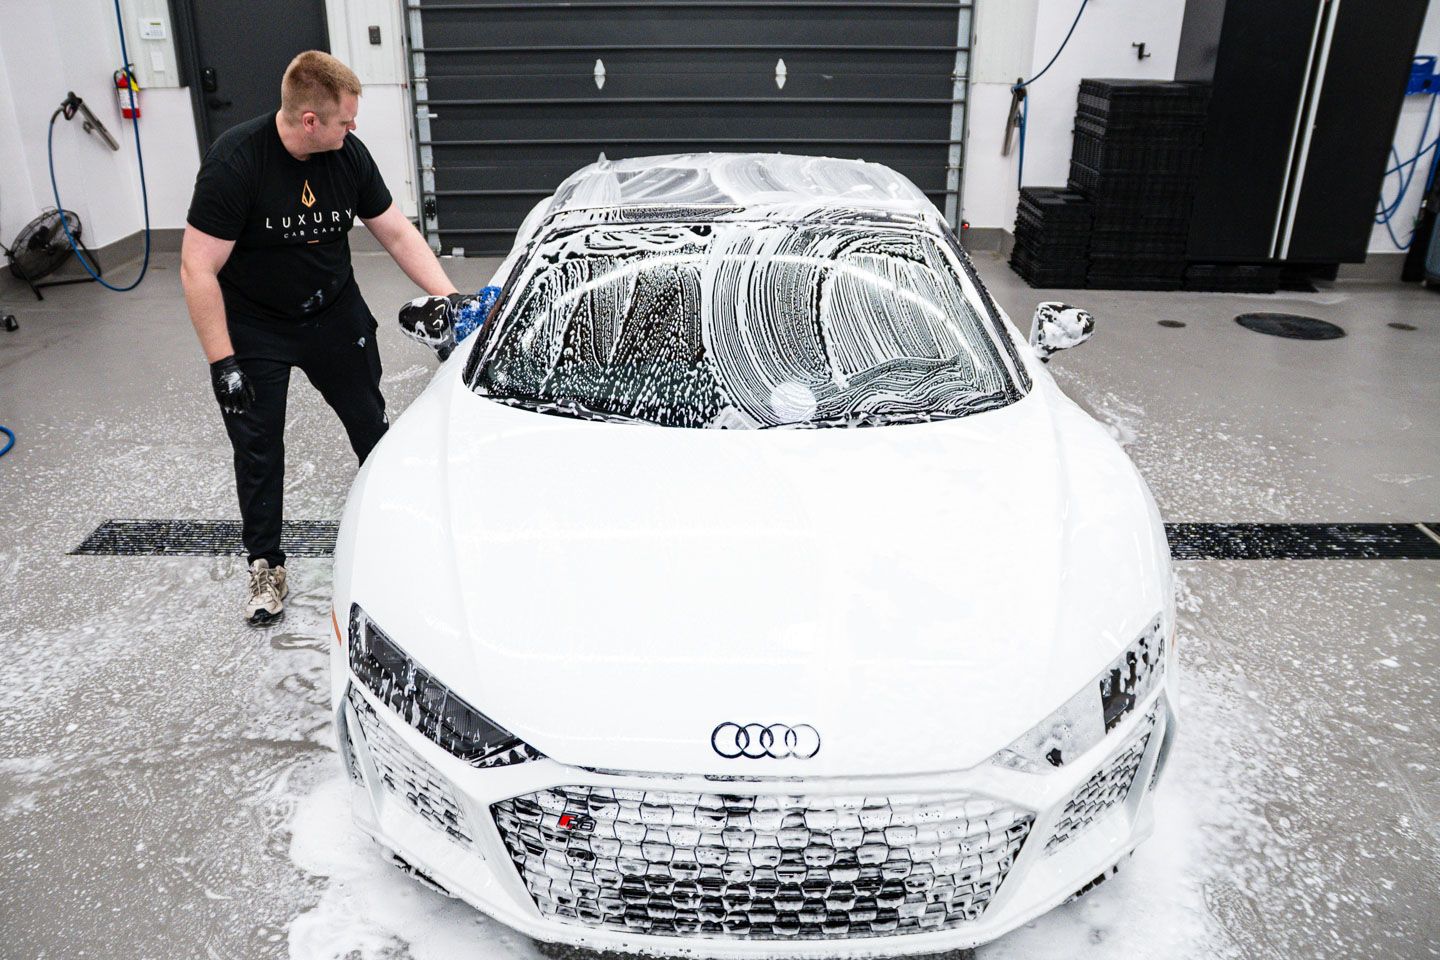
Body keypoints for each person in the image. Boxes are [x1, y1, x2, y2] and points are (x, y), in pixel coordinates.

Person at [181, 51, 463, 625]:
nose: (353, 129)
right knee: (258, 447)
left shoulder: (347, 156)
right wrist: (222, 362)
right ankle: (266, 564)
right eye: (345, 120)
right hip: (256, 325)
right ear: (310, 121)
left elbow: (395, 233)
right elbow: (196, 266)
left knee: (372, 425)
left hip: (333, 314)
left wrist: (451, 300)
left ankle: (396, 533)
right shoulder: (236, 163)